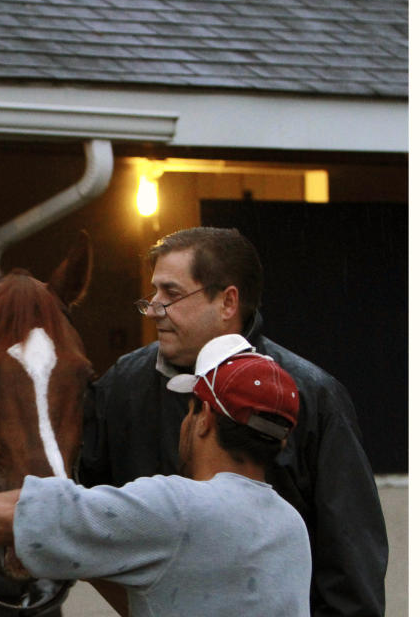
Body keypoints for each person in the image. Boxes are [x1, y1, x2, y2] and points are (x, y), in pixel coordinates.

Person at [0, 334, 312, 617]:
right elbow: (162, 602)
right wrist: (83, 553)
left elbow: (33, 511)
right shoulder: (290, 528)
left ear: (202, 420)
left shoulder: (176, 507)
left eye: (190, 409)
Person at [80, 227, 387, 616]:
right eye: (154, 293)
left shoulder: (313, 397)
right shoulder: (122, 386)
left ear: (227, 302)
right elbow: (79, 510)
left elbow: (351, 566)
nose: (155, 307)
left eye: (171, 294)